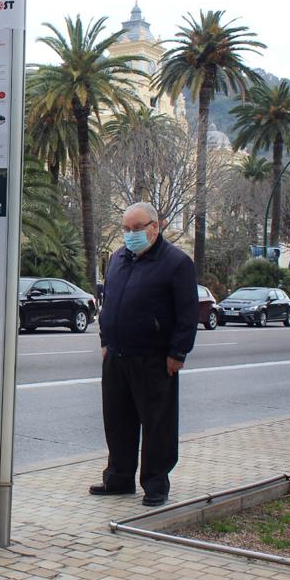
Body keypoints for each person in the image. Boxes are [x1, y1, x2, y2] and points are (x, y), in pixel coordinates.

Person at [91, 202, 199, 507]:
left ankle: (155, 483)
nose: (130, 234)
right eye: (126, 229)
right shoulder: (117, 259)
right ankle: (118, 478)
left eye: (136, 228)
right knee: (117, 420)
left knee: (157, 423)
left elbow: (187, 314)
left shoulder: (176, 263)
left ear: (156, 226)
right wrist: (104, 340)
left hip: (154, 358)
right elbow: (107, 303)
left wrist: (178, 352)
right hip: (116, 355)